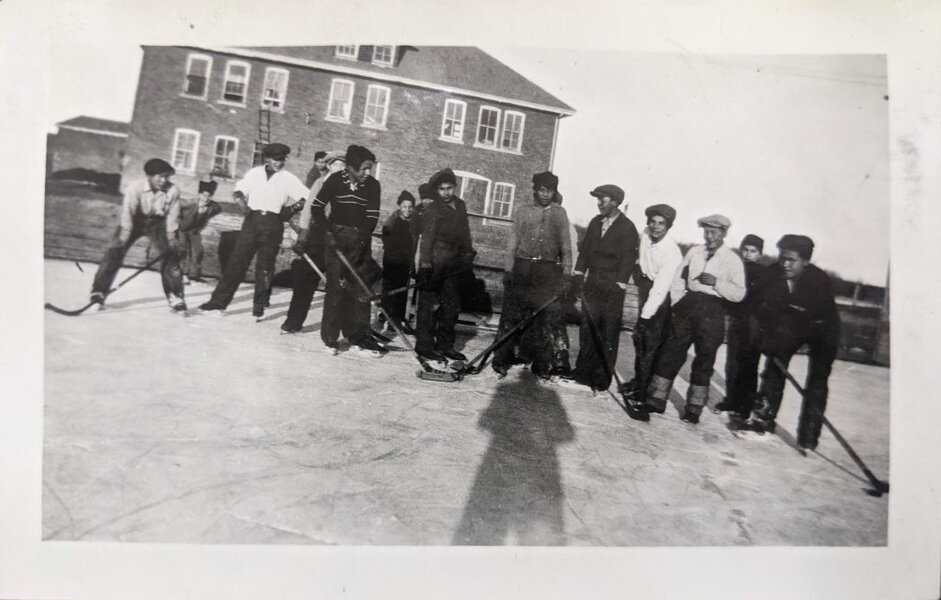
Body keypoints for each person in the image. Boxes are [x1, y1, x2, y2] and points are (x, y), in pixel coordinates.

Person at [643, 214, 746, 423]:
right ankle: (656, 399)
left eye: (714, 233)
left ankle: (693, 408)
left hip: (713, 311)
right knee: (671, 353)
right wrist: (677, 304)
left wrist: (717, 283)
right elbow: (678, 280)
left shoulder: (732, 260)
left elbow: (739, 293)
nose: (709, 237)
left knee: (704, 360)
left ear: (724, 234)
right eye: (707, 232)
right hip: (687, 306)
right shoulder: (694, 252)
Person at [746, 235, 841, 450]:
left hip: (823, 329)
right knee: (773, 368)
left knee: (817, 380)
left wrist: (778, 327)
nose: (785, 264)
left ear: (805, 262)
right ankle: (762, 420)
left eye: (791, 260)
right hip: (792, 324)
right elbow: (756, 300)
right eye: (782, 258)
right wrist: (769, 335)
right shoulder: (773, 272)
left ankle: (808, 437)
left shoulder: (818, 281)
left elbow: (804, 314)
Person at [198, 142, 309, 318]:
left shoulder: (288, 178)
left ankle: (260, 306)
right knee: (236, 263)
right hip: (252, 221)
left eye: (282, 160)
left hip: (273, 223)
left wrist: (292, 209)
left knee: (265, 267)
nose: (279, 163)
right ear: (267, 158)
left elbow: (307, 196)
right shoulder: (254, 173)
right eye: (275, 159)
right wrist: (241, 201)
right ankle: (218, 302)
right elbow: (239, 189)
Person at [492, 171, 572, 380]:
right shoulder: (523, 212)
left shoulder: (560, 214)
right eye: (542, 190)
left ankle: (541, 363)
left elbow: (566, 246)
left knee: (543, 318)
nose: (546, 194)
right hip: (522, 267)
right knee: (511, 315)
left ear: (554, 192)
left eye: (550, 191)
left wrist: (566, 274)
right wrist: (509, 269)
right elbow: (512, 243)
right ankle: (501, 359)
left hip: (546, 271)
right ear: (536, 190)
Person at [560, 184, 639, 392]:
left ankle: (601, 378)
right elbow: (585, 251)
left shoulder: (627, 227)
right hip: (593, 283)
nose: (598, 203)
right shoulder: (596, 222)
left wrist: (620, 284)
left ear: (614, 202)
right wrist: (578, 275)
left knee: (607, 332)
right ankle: (583, 372)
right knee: (587, 328)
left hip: (612, 287)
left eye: (602, 200)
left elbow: (629, 258)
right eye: (598, 199)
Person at [310, 144, 386, 356]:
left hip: (361, 239)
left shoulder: (373, 186)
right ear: (351, 168)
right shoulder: (334, 181)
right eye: (363, 169)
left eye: (370, 168)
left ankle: (359, 338)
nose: (367, 173)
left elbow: (372, 217)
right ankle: (330, 339)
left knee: (361, 289)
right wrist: (328, 233)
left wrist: (362, 241)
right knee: (336, 288)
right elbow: (316, 208)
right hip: (336, 239)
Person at [89, 158, 186, 311]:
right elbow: (128, 213)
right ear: (149, 176)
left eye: (166, 176)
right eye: (159, 176)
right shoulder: (135, 188)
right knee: (114, 251)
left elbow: (173, 215)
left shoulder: (173, 190)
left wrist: (172, 238)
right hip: (135, 221)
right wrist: (123, 237)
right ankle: (98, 292)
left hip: (158, 223)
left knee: (171, 256)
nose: (163, 180)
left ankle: (175, 296)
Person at [623, 204, 683, 418]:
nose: (656, 227)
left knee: (649, 346)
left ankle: (644, 393)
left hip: (660, 299)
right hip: (645, 287)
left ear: (669, 226)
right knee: (639, 343)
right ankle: (638, 382)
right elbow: (639, 257)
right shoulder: (646, 235)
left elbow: (659, 290)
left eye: (661, 224)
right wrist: (638, 272)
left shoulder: (672, 252)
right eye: (653, 222)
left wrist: (645, 317)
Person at [281, 152, 346, 333]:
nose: (340, 169)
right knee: (305, 279)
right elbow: (308, 210)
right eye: (336, 165)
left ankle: (336, 330)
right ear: (329, 166)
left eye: (343, 166)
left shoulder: (350, 187)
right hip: (317, 236)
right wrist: (303, 236)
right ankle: (293, 322)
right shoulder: (320, 183)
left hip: (338, 236)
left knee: (338, 284)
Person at [415, 168, 475, 363]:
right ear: (437, 191)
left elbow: (465, 232)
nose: (446, 192)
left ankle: (445, 345)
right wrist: (425, 265)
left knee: (451, 306)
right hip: (436, 261)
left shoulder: (460, 205)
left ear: (455, 187)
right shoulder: (433, 210)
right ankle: (424, 346)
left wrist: (467, 253)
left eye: (450, 188)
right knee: (429, 306)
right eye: (442, 189)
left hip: (454, 263)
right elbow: (427, 240)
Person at [714, 234, 768, 418]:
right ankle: (731, 400)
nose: (748, 254)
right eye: (745, 249)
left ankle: (745, 405)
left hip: (754, 322)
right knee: (732, 363)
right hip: (737, 319)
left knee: (749, 364)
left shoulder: (762, 273)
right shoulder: (735, 267)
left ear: (759, 254)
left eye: (753, 251)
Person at [379, 191, 417, 333]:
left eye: (410, 206)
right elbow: (386, 239)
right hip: (392, 260)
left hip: (405, 261)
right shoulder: (392, 220)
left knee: (402, 290)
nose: (407, 209)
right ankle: (386, 317)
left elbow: (414, 242)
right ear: (399, 206)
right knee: (389, 288)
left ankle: (399, 318)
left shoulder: (414, 223)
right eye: (404, 206)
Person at [179, 179, 223, 283]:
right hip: (182, 229)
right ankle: (182, 274)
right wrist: (197, 209)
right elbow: (184, 224)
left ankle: (193, 275)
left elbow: (219, 208)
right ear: (199, 195)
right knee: (184, 251)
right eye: (204, 195)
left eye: (209, 196)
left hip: (194, 231)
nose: (206, 198)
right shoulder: (190, 204)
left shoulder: (212, 207)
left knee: (198, 251)